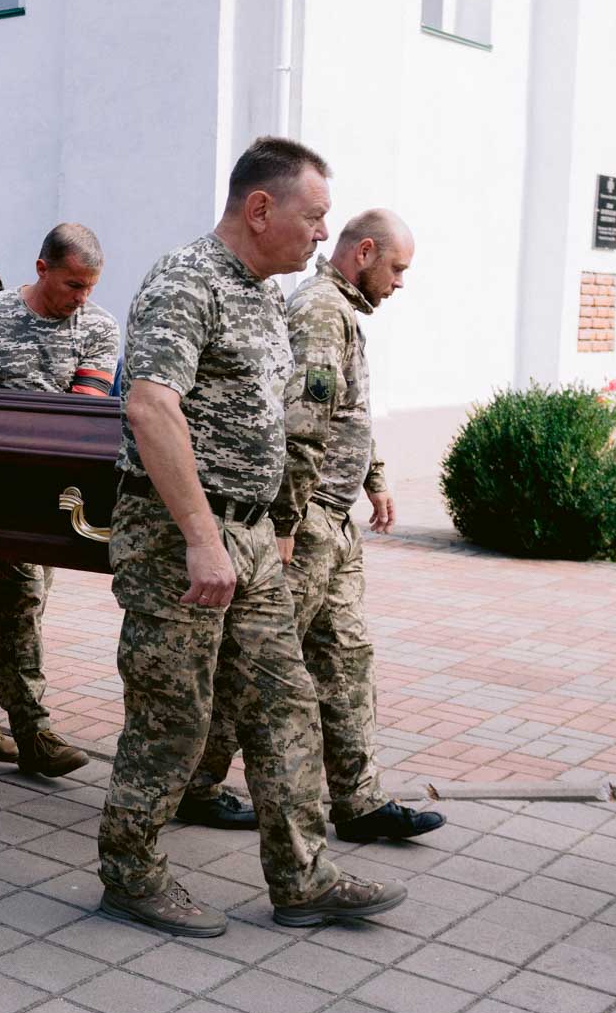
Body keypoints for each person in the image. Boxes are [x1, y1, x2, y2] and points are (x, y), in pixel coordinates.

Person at [97, 136, 408, 937]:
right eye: (312, 218)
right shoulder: (184, 281)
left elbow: (274, 424)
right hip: (179, 537)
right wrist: (203, 537)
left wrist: (276, 528)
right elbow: (150, 407)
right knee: (174, 715)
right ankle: (131, 872)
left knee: (285, 701)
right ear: (260, 208)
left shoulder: (269, 298)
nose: (319, 236)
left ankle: (303, 877)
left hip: (254, 538)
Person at [177, 210, 445, 846]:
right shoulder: (321, 308)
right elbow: (303, 416)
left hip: (335, 521)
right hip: (308, 521)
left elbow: (348, 410)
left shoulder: (342, 310)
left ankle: (358, 802)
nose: (401, 282)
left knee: (345, 659)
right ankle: (196, 783)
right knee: (256, 667)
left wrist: (373, 476)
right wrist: (289, 517)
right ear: (366, 253)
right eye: (397, 269)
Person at [0, 224, 117, 779]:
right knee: (19, 600)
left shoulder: (99, 327)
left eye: (89, 286)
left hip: (55, 496)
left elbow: (82, 417)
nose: (80, 298)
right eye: (72, 285)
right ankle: (32, 729)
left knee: (21, 606)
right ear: (42, 269)